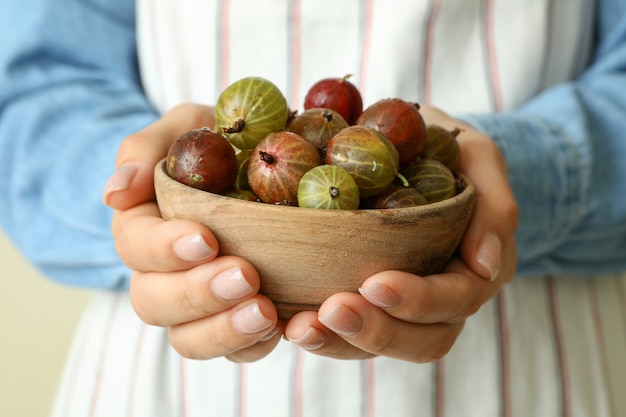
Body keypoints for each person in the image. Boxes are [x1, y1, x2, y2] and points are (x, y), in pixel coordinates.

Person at [1, 0, 625, 416]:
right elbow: (28, 93)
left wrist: (515, 178)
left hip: (527, 370)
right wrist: (141, 204)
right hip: (167, 378)